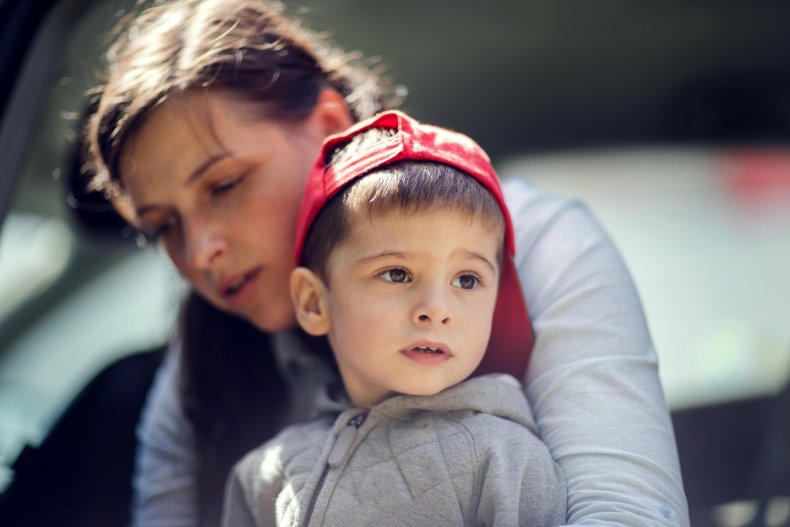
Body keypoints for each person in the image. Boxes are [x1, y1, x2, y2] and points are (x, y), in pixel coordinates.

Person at [84, 0, 689, 525]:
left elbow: (625, 511)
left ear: (327, 126)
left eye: (225, 185)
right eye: (164, 227)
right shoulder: (200, 363)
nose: (200, 250)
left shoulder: (538, 243)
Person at [221, 110, 567, 527]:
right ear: (314, 302)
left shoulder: (506, 459)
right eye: (397, 273)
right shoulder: (267, 475)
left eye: (467, 279)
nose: (437, 309)